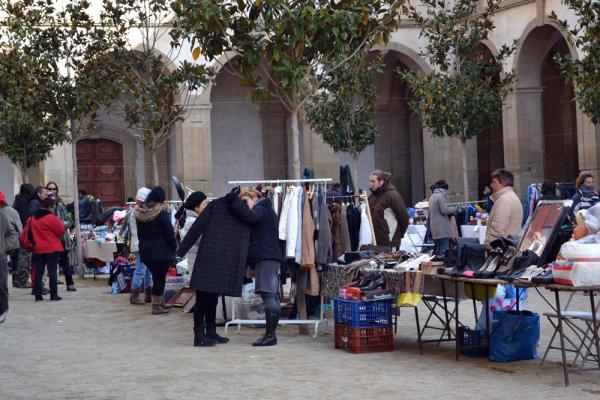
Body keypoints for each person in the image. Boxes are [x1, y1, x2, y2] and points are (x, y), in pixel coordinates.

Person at [177, 188, 251, 347]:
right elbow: (195, 232)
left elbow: (200, 229)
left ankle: (210, 331)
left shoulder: (217, 208)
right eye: (204, 202)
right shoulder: (235, 211)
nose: (207, 204)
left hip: (211, 260)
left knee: (211, 298)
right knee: (203, 299)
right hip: (206, 261)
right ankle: (199, 336)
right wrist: (179, 253)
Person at [226, 188, 283, 346]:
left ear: (253, 197)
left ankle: (271, 336)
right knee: (272, 295)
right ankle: (271, 334)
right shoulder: (266, 207)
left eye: (245, 201)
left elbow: (250, 216)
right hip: (269, 256)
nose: (245, 206)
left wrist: (234, 201)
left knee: (268, 295)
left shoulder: (261, 208)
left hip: (266, 257)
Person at [134, 187, 176, 315]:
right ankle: (157, 306)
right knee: (159, 279)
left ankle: (160, 302)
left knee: (157, 277)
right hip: (161, 252)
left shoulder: (140, 213)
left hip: (145, 252)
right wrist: (174, 248)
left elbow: (140, 234)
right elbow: (169, 233)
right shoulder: (161, 214)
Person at [30, 194, 65, 301]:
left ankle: (38, 294)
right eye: (53, 206)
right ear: (50, 207)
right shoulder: (51, 218)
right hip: (52, 248)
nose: (54, 208)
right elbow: (61, 230)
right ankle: (53, 295)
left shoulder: (33, 218)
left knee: (39, 271)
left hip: (38, 248)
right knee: (52, 271)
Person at [122, 187, 153, 305]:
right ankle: (134, 296)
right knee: (141, 269)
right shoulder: (138, 212)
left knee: (148, 270)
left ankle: (148, 294)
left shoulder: (137, 211)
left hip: (144, 245)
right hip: (140, 245)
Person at [45, 182, 76, 292]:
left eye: (54, 189)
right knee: (49, 264)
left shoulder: (61, 205)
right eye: (50, 188)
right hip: (49, 238)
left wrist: (61, 224)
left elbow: (70, 221)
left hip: (61, 237)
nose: (52, 191)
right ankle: (47, 287)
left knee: (65, 261)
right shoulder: (43, 205)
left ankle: (70, 283)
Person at [368, 170, 409, 248]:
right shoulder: (372, 197)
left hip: (389, 241)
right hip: (375, 241)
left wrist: (399, 234)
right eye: (370, 181)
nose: (370, 184)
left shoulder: (393, 196)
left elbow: (403, 217)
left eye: (373, 181)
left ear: (381, 182)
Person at [484, 169, 523, 247]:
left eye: (494, 182)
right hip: (510, 249)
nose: (491, 185)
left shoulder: (504, 200)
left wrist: (487, 248)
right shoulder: (512, 196)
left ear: (503, 183)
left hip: (502, 252)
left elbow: (496, 232)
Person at [178, 191, 209, 278]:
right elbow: (204, 240)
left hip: (196, 259)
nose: (207, 207)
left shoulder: (191, 219)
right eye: (204, 204)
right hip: (197, 260)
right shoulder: (193, 222)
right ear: (196, 208)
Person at [12, 184, 34, 289]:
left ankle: (16, 279)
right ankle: (23, 280)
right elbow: (24, 217)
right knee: (24, 256)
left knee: (17, 256)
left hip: (16, 231)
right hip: (22, 231)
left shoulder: (17, 200)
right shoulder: (24, 202)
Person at [0, 196, 18, 323]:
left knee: (1, 285)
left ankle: (2, 309)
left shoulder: (2, 217)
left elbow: (12, 235)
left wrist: (2, 247)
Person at [428, 180, 456, 257]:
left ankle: (438, 265)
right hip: (442, 227)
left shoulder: (432, 196)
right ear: (444, 189)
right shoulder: (440, 197)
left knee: (438, 250)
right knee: (444, 250)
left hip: (434, 226)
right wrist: (454, 209)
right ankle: (444, 265)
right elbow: (444, 210)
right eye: (446, 190)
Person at [0, 192, 22, 289]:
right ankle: (15, 278)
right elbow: (19, 227)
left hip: (1, 243)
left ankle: (3, 283)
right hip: (13, 241)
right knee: (15, 259)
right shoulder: (13, 211)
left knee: (3, 264)